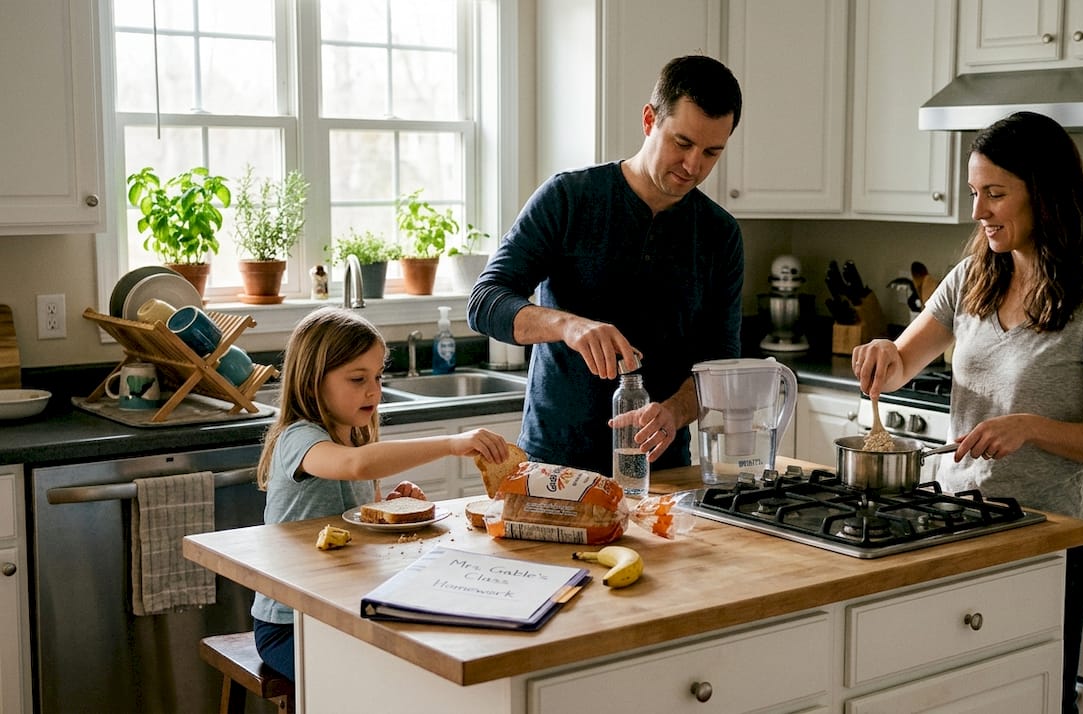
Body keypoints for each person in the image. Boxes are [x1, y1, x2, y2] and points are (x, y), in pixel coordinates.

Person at [849, 111, 1083, 714]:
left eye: (996, 194)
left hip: (1045, 536)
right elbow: (903, 362)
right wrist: (884, 354)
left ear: (1045, 193)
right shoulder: (971, 276)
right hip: (955, 523)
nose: (979, 211)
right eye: (975, 192)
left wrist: (1029, 426)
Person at [468, 55, 745, 476]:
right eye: (683, 143)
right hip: (555, 464)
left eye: (711, 152)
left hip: (660, 470)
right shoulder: (569, 198)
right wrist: (569, 326)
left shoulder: (719, 234)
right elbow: (485, 302)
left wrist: (673, 412)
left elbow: (721, 363)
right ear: (649, 120)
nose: (694, 166)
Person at [250, 306, 508, 682]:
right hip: (291, 622)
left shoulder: (352, 434)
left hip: (342, 609)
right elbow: (356, 466)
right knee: (377, 680)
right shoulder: (298, 437)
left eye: (377, 375)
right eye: (357, 379)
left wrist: (383, 507)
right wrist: (452, 443)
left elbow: (347, 509)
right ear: (311, 383)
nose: (374, 389)